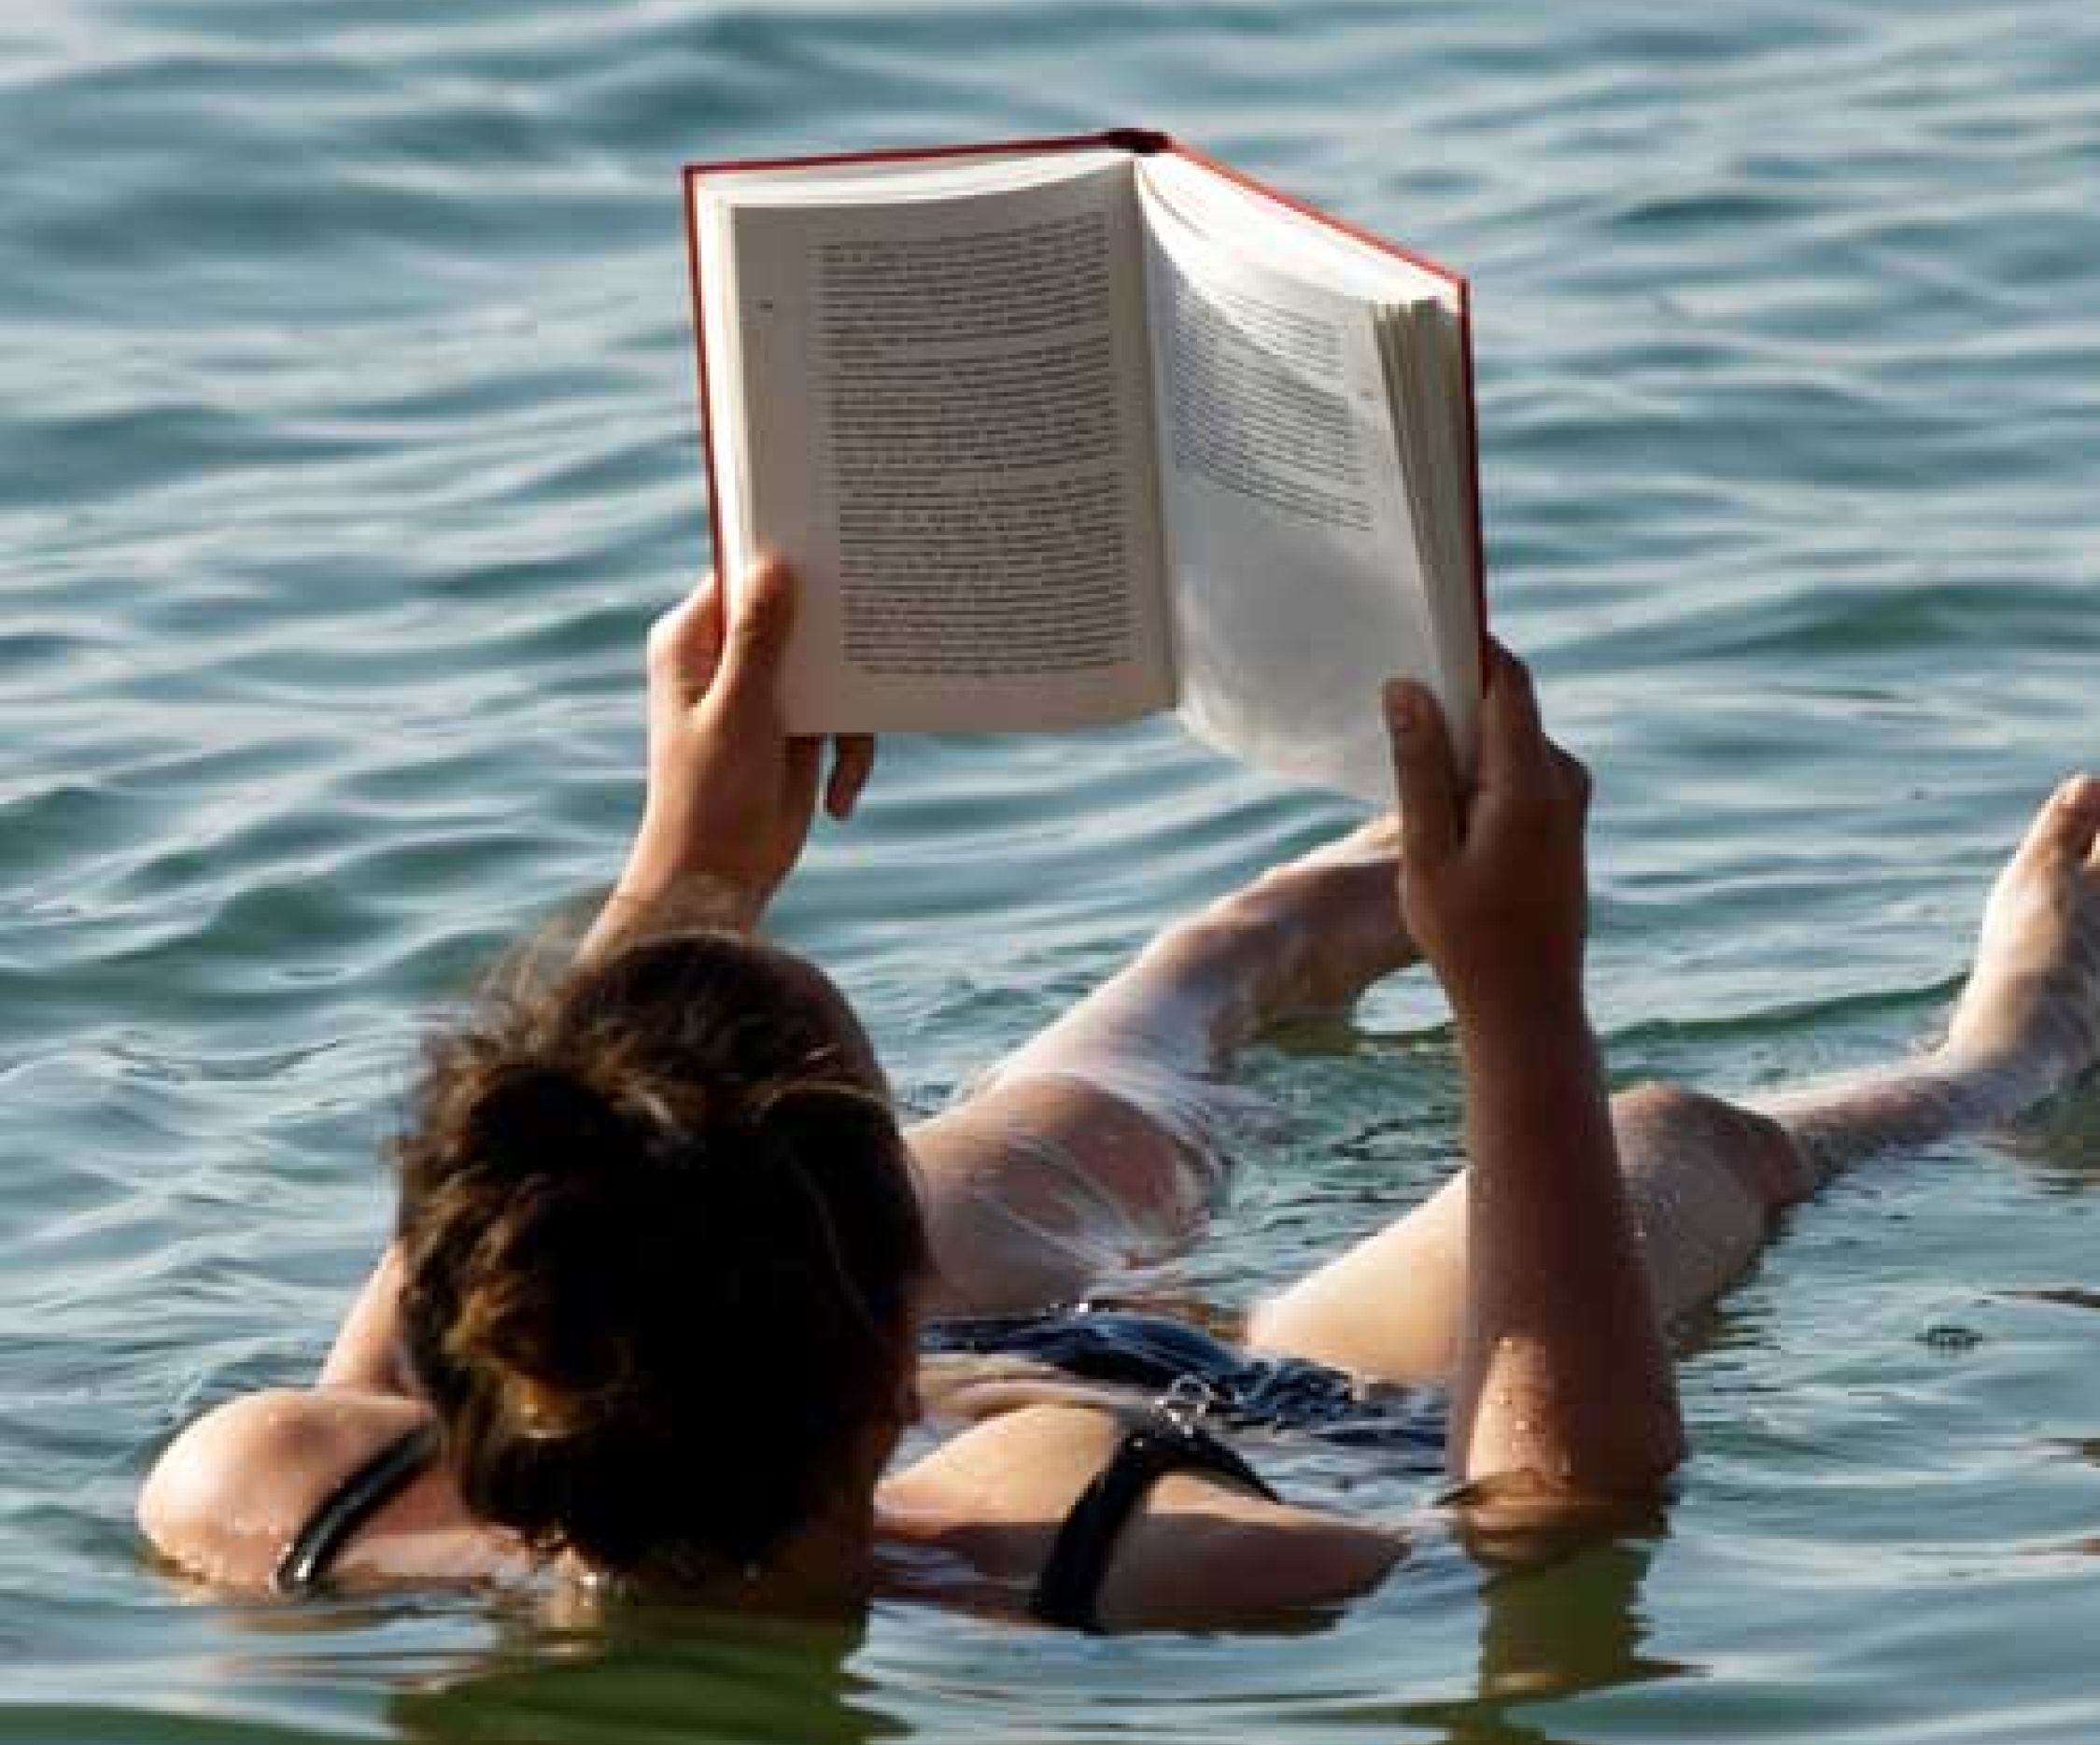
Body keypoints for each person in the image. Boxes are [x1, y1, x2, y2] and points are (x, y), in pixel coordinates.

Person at [138, 561, 2100, 1629]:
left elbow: (481, 1283)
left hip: (810, 1371)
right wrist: (1522, 1007)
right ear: (880, 1305)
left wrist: (692, 870)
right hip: (1305, 1417)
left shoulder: (278, 1492)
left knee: (1085, 1097)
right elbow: (1559, 1516)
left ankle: (1266, 932)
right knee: (1661, 1144)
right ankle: (2004, 1045)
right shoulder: (1135, 1558)